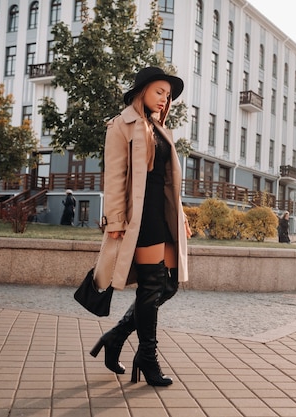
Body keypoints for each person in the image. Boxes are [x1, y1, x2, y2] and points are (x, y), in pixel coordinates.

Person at [90, 67, 190, 387]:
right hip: (142, 218)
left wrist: (182, 216)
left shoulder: (160, 129)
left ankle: (116, 336)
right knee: (150, 288)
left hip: (164, 217)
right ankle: (147, 357)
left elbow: (168, 183)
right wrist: (115, 220)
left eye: (168, 95)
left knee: (168, 286)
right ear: (143, 90)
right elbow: (115, 177)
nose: (164, 99)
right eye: (159, 91)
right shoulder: (122, 125)